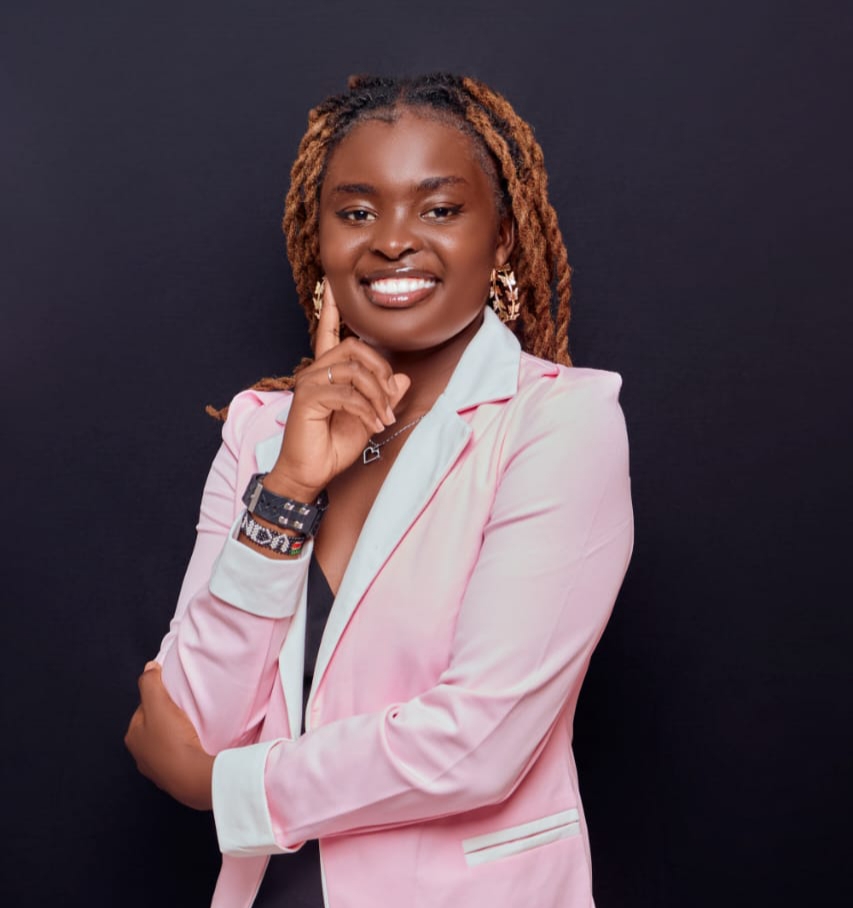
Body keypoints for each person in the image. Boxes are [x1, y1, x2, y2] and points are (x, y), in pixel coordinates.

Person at [125, 72, 634, 908]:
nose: (392, 241)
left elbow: (478, 745)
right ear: (319, 239)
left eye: (439, 209)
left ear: (501, 239)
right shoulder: (260, 430)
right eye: (357, 212)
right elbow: (187, 721)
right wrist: (289, 489)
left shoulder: (558, 424)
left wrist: (223, 788)